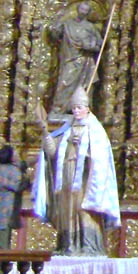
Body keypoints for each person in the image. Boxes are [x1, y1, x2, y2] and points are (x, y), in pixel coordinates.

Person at [33, 87, 120, 255]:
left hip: (86, 178)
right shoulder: (66, 130)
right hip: (67, 173)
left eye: (79, 107)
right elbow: (52, 153)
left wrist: (80, 146)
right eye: (74, 108)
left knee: (83, 209)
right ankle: (68, 244)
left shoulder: (95, 130)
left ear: (87, 108)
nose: (76, 111)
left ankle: (88, 244)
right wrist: (46, 134)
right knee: (67, 208)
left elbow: (100, 157)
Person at [46, 1, 102, 118]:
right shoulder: (67, 24)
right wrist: (56, 24)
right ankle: (58, 110)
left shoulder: (90, 27)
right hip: (70, 59)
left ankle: (83, 112)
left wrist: (89, 46)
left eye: (86, 10)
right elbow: (54, 35)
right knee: (64, 84)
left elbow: (99, 45)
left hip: (85, 62)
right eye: (82, 9)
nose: (83, 12)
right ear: (77, 9)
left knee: (84, 88)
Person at [0, 145, 30, 274]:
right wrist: (30, 177)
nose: (17, 155)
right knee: (1, 250)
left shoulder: (1, 168)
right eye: (15, 153)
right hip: (1, 215)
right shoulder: (7, 170)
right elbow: (18, 185)